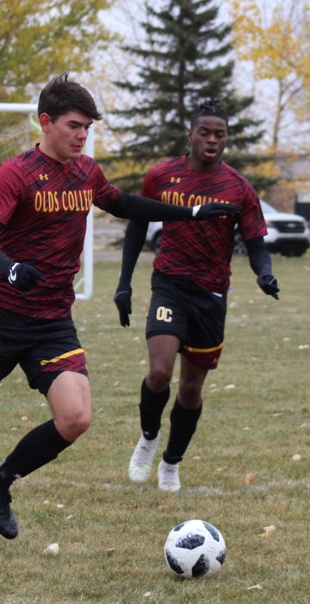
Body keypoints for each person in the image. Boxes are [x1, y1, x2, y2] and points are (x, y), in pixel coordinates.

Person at [0, 73, 240, 554]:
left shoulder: (86, 171)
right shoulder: (15, 173)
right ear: (46, 122)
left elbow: (125, 203)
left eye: (87, 126)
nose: (82, 134)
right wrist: (10, 268)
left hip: (51, 323)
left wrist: (188, 213)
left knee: (76, 417)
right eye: (74, 125)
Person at [113, 98, 281, 493]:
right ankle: (149, 436)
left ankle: (171, 463)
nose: (211, 139)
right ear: (191, 135)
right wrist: (124, 282)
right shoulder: (161, 177)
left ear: (225, 140)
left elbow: (256, 241)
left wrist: (265, 273)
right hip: (169, 285)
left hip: (211, 295)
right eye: (204, 132)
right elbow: (137, 226)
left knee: (190, 388)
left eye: (219, 134)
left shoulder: (238, 187)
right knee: (159, 371)